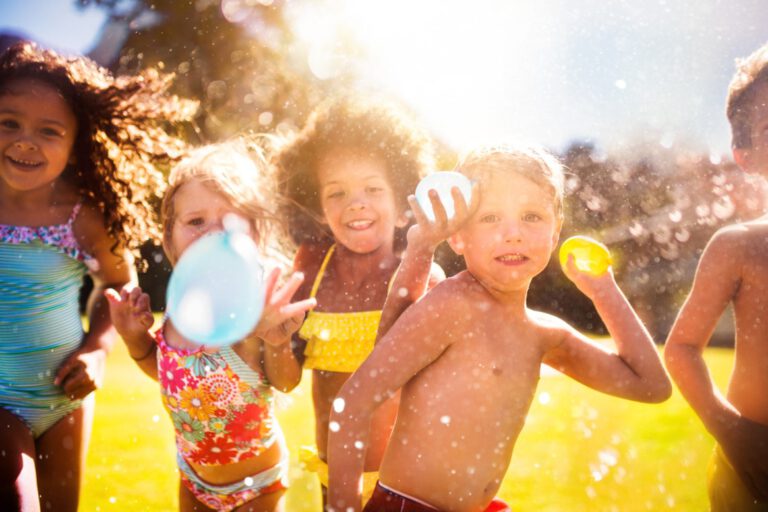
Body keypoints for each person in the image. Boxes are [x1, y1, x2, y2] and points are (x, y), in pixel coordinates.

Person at [326, 144, 672, 511]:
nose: (513, 234)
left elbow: (650, 386)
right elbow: (353, 402)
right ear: (457, 235)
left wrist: (604, 291)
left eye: (532, 216)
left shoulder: (543, 334)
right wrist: (342, 508)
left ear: (555, 233)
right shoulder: (454, 304)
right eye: (491, 217)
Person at [0, 42, 194, 511]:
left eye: (49, 131)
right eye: (9, 123)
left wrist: (97, 350)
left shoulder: (82, 215)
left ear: (76, 143)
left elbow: (118, 287)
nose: (26, 141)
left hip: (66, 395)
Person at [106, 141, 317, 511]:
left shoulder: (259, 303)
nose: (214, 235)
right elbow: (167, 372)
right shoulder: (178, 305)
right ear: (169, 235)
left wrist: (274, 339)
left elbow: (285, 382)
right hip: (192, 477)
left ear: (255, 233)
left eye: (231, 222)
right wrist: (133, 337)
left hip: (258, 485)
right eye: (196, 221)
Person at [275, 96, 442, 503]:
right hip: (336, 480)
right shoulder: (309, 276)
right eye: (336, 193)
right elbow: (285, 379)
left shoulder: (423, 277)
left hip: (407, 486)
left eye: (372, 188)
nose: (356, 203)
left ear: (403, 205)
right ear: (317, 206)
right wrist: (275, 340)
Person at [664, 42, 768, 511]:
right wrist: (730, 430)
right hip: (752, 466)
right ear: (745, 155)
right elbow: (682, 349)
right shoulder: (740, 247)